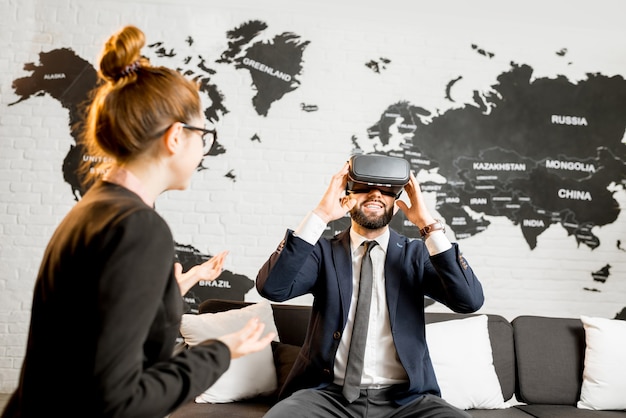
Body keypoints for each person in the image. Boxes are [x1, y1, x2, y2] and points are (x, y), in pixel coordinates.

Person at [2, 25, 274, 418]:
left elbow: (95, 318)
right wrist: (220, 352)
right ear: (176, 137)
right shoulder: (139, 227)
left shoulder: (95, 208)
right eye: (204, 134)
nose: (205, 149)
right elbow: (117, 399)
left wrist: (170, 288)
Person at [256, 156, 485, 418]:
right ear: (346, 198)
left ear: (397, 206)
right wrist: (321, 214)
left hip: (406, 401)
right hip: (328, 396)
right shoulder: (323, 253)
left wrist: (427, 225)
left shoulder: (416, 255)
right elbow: (272, 287)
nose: (375, 193)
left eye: (387, 190)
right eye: (364, 187)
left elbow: (469, 301)